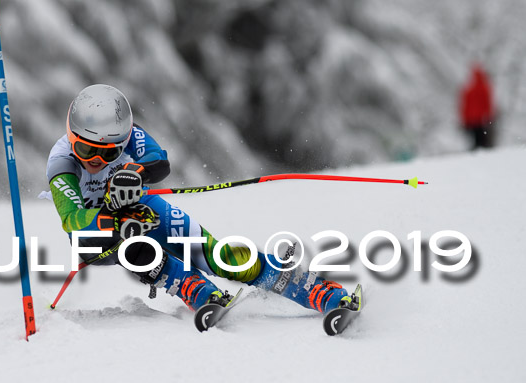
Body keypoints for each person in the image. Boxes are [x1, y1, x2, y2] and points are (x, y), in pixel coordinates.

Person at [46, 84, 359, 315]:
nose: (96, 161)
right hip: (97, 235)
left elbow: (159, 161)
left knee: (216, 255)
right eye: (87, 150)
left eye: (110, 153)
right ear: (72, 137)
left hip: (142, 208)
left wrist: (136, 174)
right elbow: (73, 222)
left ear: (123, 139)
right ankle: (189, 286)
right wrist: (111, 216)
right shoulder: (62, 163)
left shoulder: (129, 133)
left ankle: (311, 288)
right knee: (134, 244)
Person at [459, 63, 496, 149]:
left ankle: (477, 152)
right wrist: (489, 116)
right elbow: (487, 103)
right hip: (481, 119)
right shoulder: (484, 88)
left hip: (471, 119)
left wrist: (464, 119)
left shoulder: (469, 89)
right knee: (482, 139)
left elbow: (464, 106)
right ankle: (481, 153)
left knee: (475, 138)